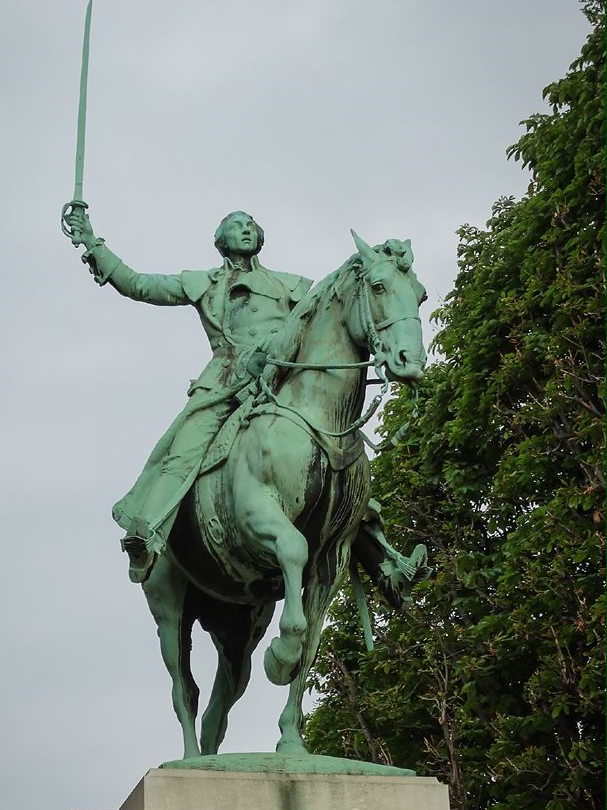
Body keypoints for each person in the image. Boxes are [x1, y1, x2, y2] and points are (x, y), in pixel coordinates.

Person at [64, 208, 429, 603]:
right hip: (229, 378)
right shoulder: (205, 283)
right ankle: (147, 531)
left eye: (251, 224)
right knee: (184, 447)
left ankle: (384, 562)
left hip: (283, 370)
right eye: (236, 224)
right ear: (220, 239)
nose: (246, 228)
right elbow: (137, 284)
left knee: (339, 451)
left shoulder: (291, 286)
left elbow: (332, 314)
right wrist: (93, 243)